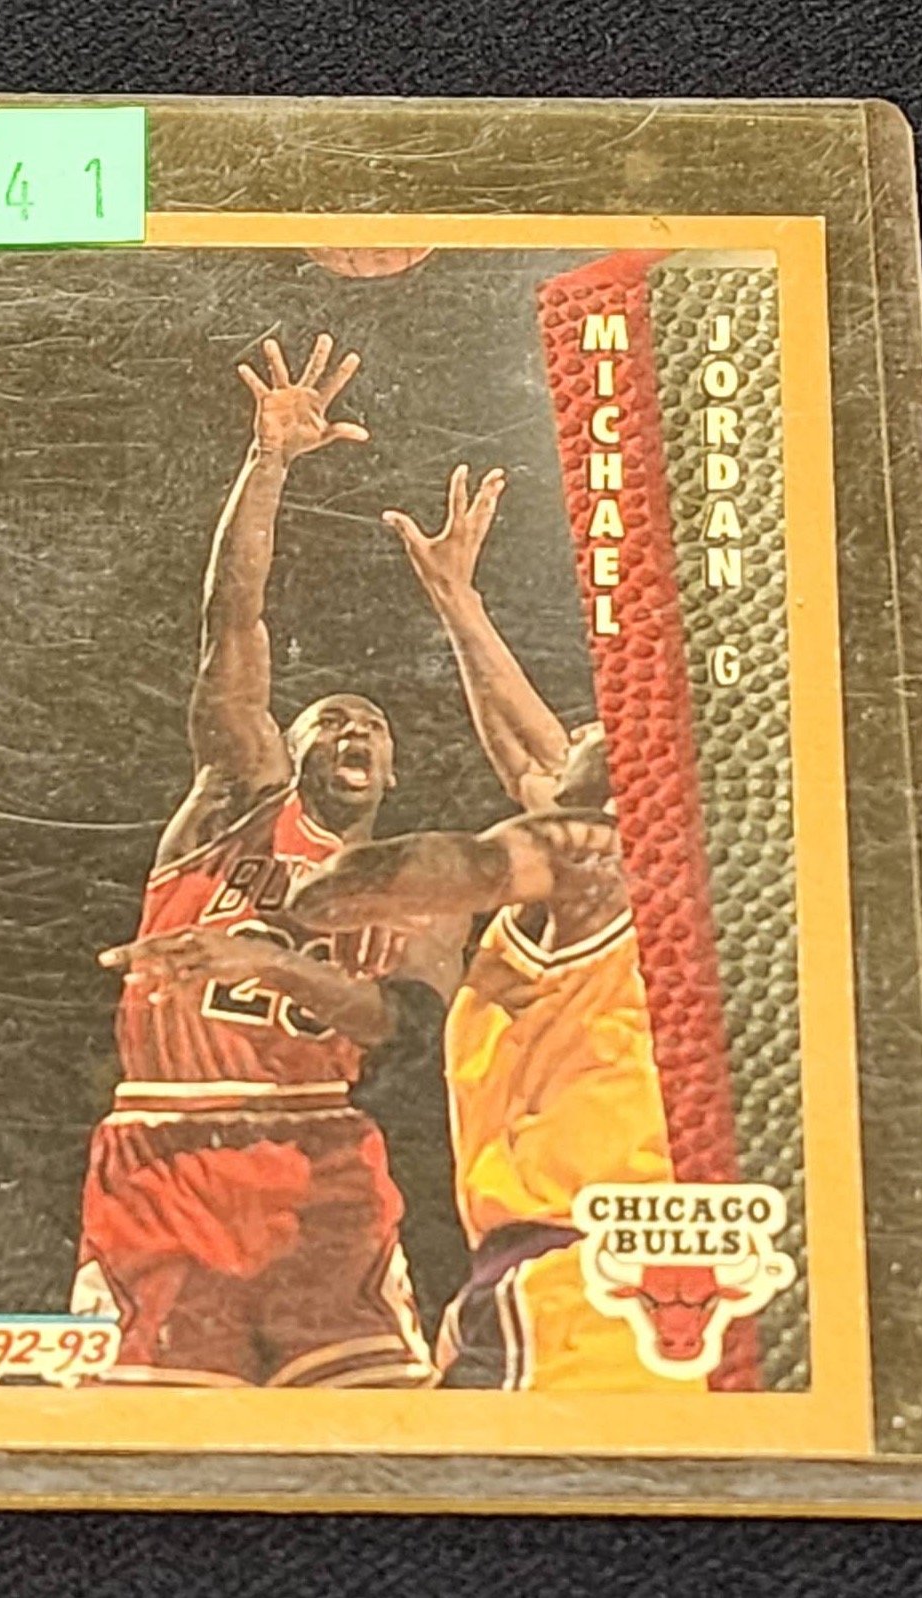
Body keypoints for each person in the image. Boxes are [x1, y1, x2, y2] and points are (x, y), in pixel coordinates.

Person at [74, 334, 457, 1389]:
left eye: (370, 723)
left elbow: (399, 1027)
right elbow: (230, 622)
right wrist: (268, 463)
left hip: (321, 1162)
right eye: (328, 719)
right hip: (167, 1147)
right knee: (148, 1438)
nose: (352, 727)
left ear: (391, 767)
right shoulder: (237, 803)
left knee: (374, 1427)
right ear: (282, 753)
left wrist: (272, 963)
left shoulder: (421, 888)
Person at [290, 466, 683, 1391]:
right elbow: (528, 756)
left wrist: (326, 892)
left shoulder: (592, 857)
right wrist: (455, 601)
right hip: (568, 1269)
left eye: (591, 731)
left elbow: (445, 863)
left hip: (569, 1283)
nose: (572, 729)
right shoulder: (607, 866)